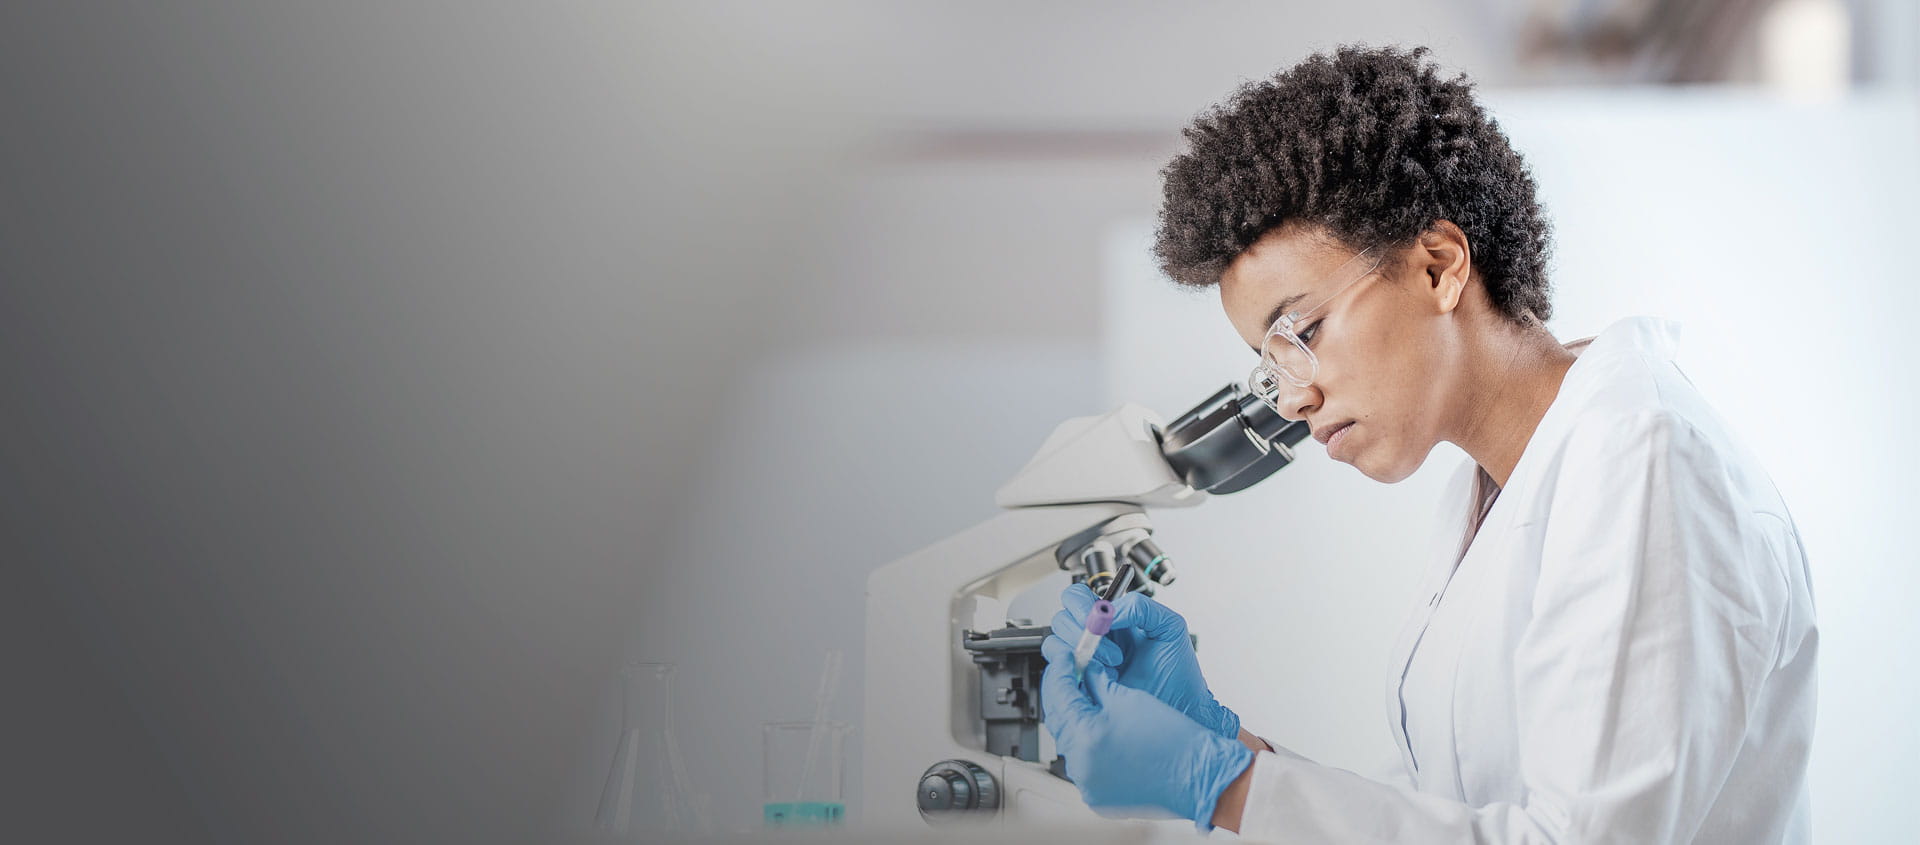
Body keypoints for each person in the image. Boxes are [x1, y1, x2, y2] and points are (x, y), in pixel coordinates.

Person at [1040, 45, 1816, 843]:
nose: (1293, 397)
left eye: (1301, 332)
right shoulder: (1488, 493)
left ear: (1439, 266)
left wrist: (1230, 788)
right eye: (1270, 365)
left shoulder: (1643, 457)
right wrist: (1231, 750)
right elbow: (1452, 817)